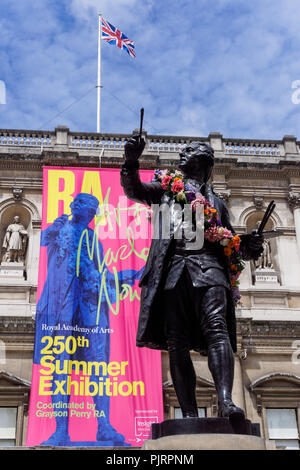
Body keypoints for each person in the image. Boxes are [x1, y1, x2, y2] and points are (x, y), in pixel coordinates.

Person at [121, 135, 264, 421]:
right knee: (177, 341)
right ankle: (188, 414)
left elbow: (230, 243)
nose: (182, 154)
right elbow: (133, 189)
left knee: (217, 329)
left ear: (203, 160)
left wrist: (250, 246)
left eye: (189, 151)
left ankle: (226, 402)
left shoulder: (219, 204)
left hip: (210, 269)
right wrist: (131, 160)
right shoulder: (164, 191)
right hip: (173, 270)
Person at [34, 193, 142, 445]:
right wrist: (56, 227)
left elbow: (99, 276)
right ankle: (61, 429)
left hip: (91, 311)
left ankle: (103, 426)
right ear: (75, 206)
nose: (93, 212)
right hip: (61, 308)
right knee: (60, 368)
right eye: (88, 207)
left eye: (95, 209)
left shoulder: (95, 240)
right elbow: (43, 241)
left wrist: (125, 276)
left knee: (99, 369)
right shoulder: (60, 229)